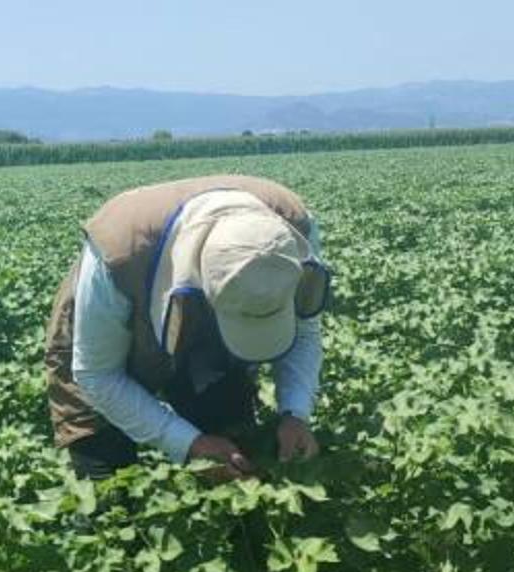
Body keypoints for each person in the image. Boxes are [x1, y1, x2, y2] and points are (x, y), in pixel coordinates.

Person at [45, 176, 332, 479]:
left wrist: (295, 413)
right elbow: (97, 375)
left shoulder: (292, 232)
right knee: (105, 478)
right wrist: (189, 443)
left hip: (210, 335)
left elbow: (303, 331)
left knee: (237, 455)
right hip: (106, 339)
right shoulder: (119, 253)